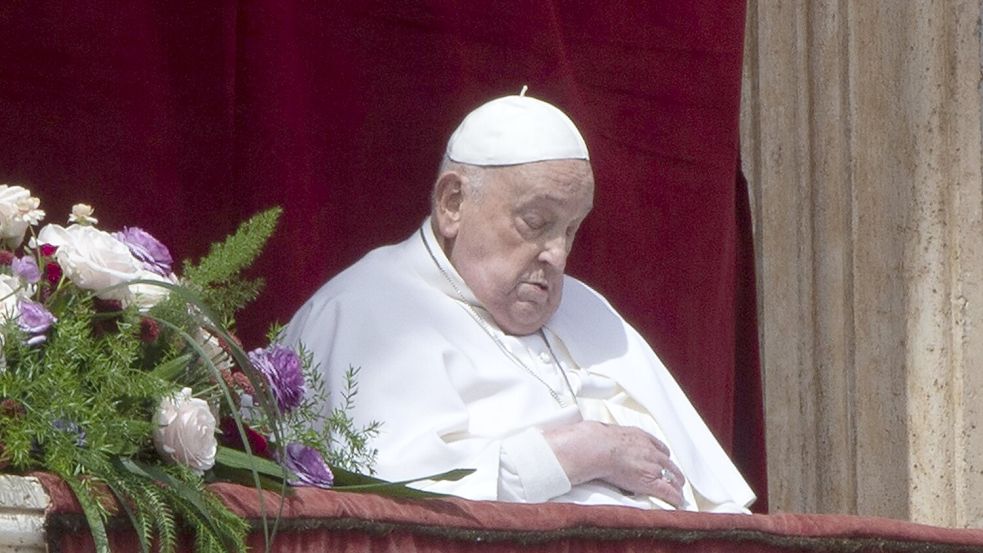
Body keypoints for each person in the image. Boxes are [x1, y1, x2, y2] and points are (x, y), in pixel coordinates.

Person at [283, 92, 756, 512]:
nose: (558, 254)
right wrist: (574, 454)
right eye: (536, 222)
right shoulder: (365, 310)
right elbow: (395, 504)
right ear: (452, 204)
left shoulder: (587, 309)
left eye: (571, 229)